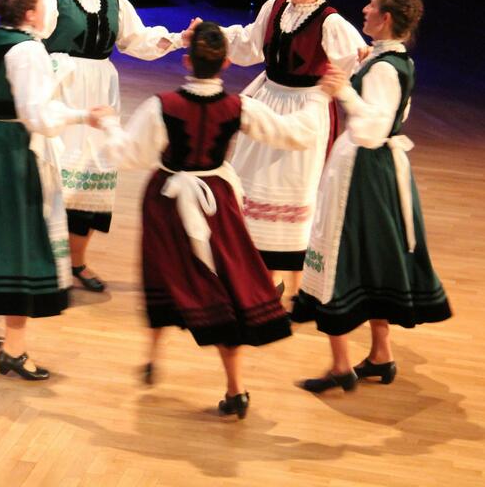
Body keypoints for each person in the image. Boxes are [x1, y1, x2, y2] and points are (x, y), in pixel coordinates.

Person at [98, 21, 346, 417]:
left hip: (167, 202)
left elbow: (127, 154)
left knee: (163, 275)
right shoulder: (239, 107)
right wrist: (320, 96)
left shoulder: (162, 105)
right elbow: (295, 134)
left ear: (187, 60)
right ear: (226, 64)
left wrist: (108, 123)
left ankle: (153, 356)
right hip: (216, 202)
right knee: (221, 287)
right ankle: (234, 387)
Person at [292, 0, 452, 393]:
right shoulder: (391, 58)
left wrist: (343, 90)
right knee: (372, 259)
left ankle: (340, 364)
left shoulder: (385, 68)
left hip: (364, 171)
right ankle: (381, 355)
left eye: (372, 5)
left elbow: (371, 129)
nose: (364, 9)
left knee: (338, 256)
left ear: (386, 18)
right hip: (378, 170)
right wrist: (360, 69)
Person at [0, 0, 107, 380]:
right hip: (9, 151)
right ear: (29, 14)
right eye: (42, 4)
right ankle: (14, 350)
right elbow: (36, 115)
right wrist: (83, 116)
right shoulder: (27, 50)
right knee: (20, 242)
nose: (47, 10)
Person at [41, 0, 199, 292]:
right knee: (57, 175)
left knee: (93, 175)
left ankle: (77, 261)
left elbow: (137, 40)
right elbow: (32, 41)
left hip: (101, 91)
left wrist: (179, 39)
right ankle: (46, 264)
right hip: (63, 90)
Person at [219, 0, 365, 304]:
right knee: (249, 183)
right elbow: (249, 45)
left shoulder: (330, 22)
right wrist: (214, 36)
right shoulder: (275, 6)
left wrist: (352, 74)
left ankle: (293, 288)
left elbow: (358, 61)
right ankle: (258, 277)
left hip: (305, 112)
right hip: (267, 100)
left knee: (292, 192)